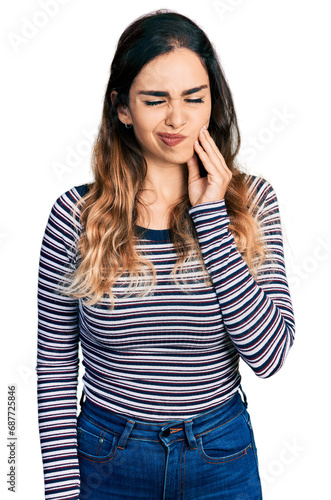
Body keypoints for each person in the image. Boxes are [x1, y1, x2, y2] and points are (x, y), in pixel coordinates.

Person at [36, 9, 295, 500]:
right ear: (122, 108)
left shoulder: (254, 202)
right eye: (155, 100)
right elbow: (53, 367)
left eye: (193, 99)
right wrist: (61, 492)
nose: (177, 119)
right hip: (108, 456)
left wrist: (212, 218)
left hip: (220, 454)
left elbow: (270, 355)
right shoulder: (75, 215)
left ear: (211, 104)